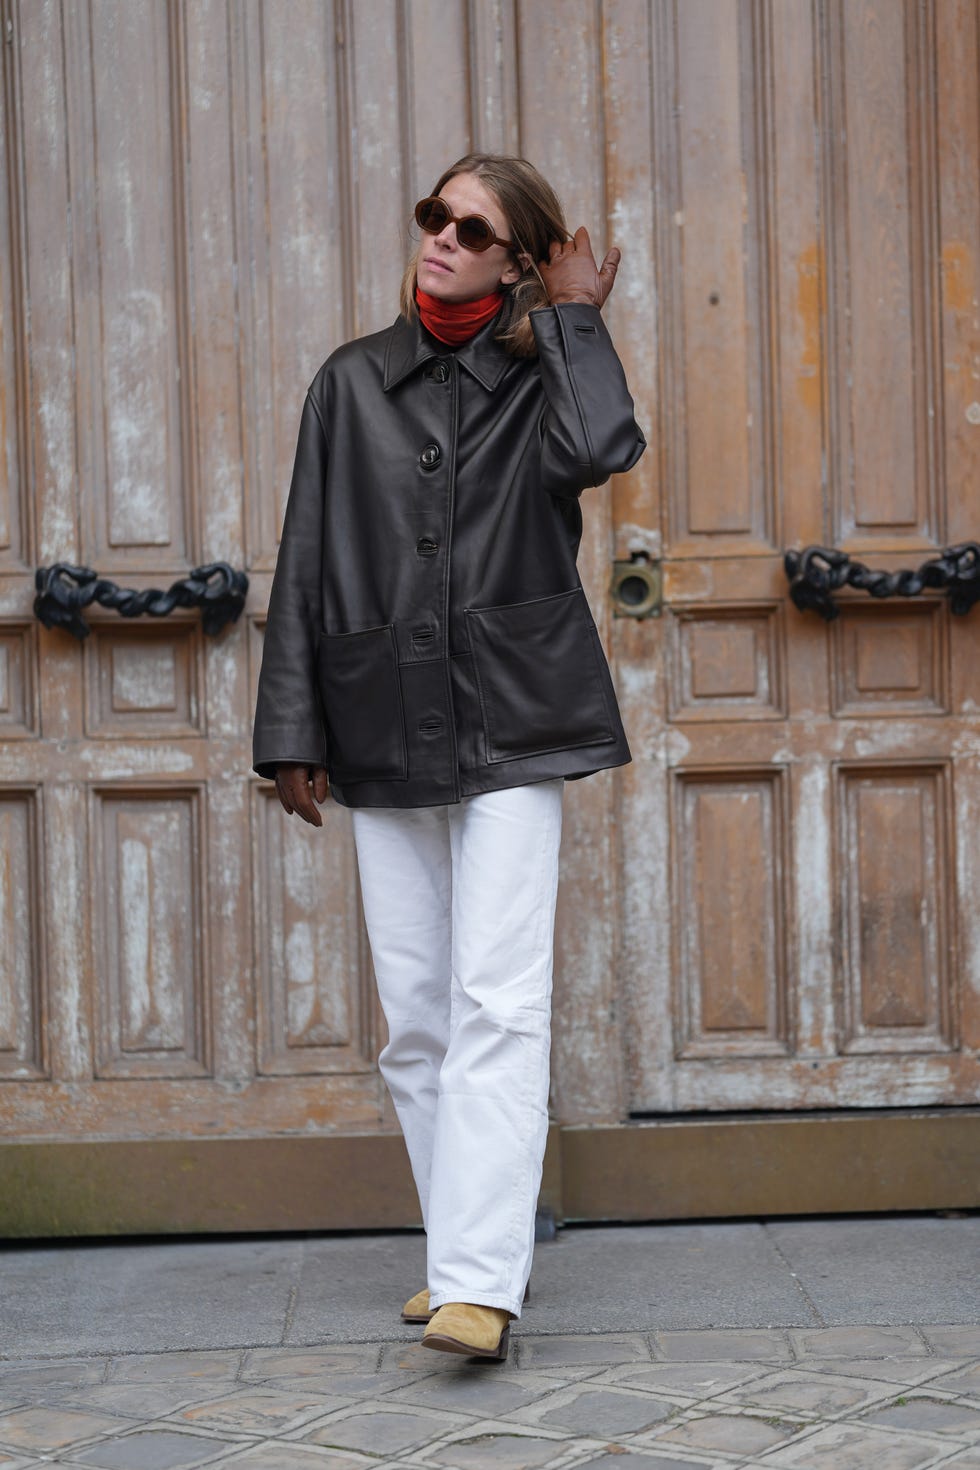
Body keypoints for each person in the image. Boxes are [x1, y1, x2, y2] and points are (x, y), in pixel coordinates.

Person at [252, 153, 645, 1362]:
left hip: (516, 720)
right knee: (415, 1018)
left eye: (472, 230)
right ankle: (455, 1257)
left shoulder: (545, 376)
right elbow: (307, 555)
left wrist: (574, 319)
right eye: (435, 216)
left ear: (515, 260)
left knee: (496, 1001)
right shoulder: (351, 381)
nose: (441, 240)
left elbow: (603, 448)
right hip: (377, 716)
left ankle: (479, 1281)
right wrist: (289, 732)